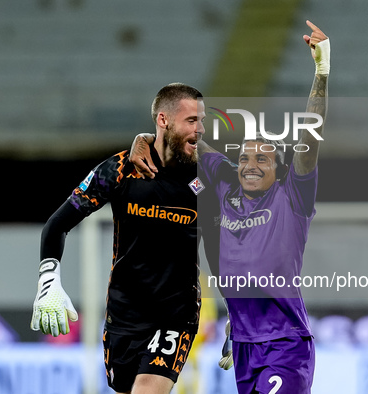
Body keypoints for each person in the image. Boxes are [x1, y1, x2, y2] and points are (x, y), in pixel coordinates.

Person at [130, 20, 329, 393]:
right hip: (244, 346)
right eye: (244, 157)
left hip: (285, 346)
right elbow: (184, 136)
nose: (250, 164)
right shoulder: (223, 182)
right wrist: (145, 136)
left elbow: (309, 139)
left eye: (262, 160)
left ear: (281, 171)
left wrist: (321, 73)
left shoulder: (292, 196)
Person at [30, 83, 207, 394]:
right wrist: (48, 281)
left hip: (175, 314)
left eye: (201, 121)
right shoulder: (120, 169)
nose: (200, 129)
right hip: (124, 314)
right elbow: (58, 224)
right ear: (163, 120)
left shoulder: (210, 173)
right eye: (191, 121)